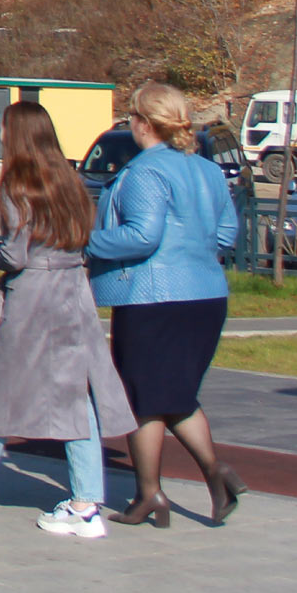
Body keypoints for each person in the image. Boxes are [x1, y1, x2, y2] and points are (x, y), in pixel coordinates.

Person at [0, 101, 131, 539]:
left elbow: (15, 254)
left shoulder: (16, 184)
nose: (0, 133)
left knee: (4, 393)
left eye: (4, 127)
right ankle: (86, 504)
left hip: (33, 295)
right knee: (77, 398)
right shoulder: (70, 180)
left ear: (16, 135)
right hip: (73, 292)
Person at [88, 80, 246, 528]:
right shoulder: (209, 171)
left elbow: (143, 236)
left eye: (132, 117)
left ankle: (158, 490)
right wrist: (193, 253)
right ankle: (185, 481)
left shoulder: (144, 172)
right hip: (206, 295)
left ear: (142, 123)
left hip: (152, 297)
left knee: (143, 397)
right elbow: (226, 234)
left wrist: (88, 241)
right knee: (172, 395)